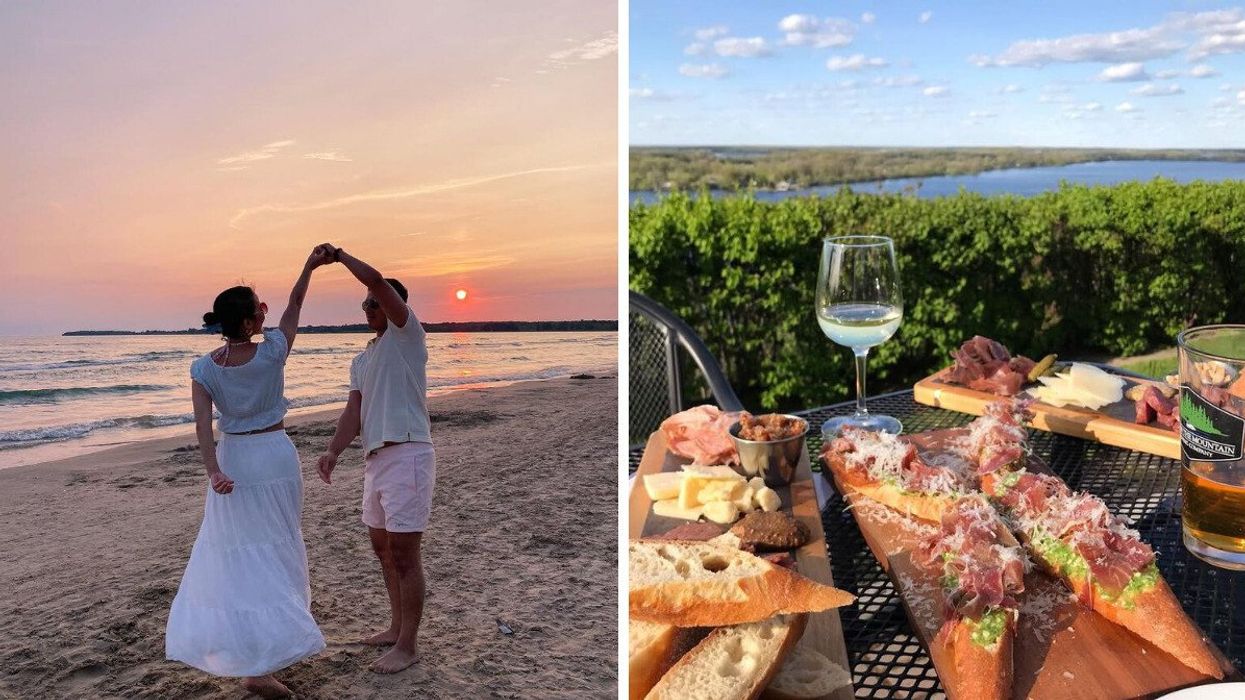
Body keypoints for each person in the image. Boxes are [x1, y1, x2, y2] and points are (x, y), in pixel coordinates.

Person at [166, 248, 332, 698]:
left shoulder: (204, 368)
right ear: (252, 319)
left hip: (235, 460)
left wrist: (213, 471)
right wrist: (308, 267)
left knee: (237, 551)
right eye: (260, 307)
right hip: (273, 455)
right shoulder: (273, 350)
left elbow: (203, 425)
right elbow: (295, 305)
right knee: (275, 545)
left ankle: (255, 659)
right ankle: (260, 668)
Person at [314, 243, 434, 675]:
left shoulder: (407, 336)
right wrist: (332, 450)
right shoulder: (362, 358)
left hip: (409, 453)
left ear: (391, 306)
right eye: (364, 305)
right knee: (382, 550)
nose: (368, 307)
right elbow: (354, 412)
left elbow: (378, 281)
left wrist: (341, 257)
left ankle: (408, 644)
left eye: (374, 303)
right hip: (375, 459)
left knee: (405, 554)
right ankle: (394, 627)